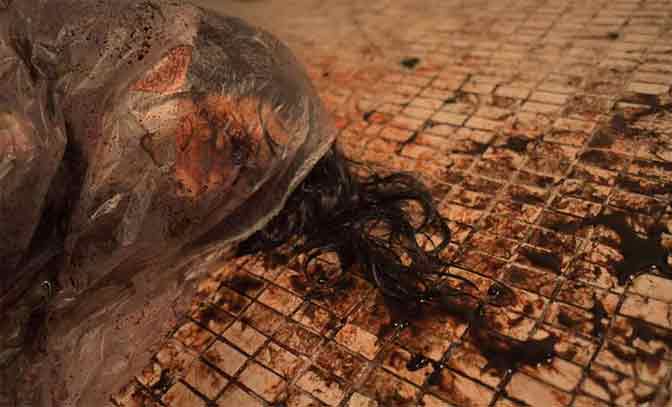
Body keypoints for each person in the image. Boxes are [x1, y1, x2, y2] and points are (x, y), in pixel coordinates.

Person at [0, 0, 450, 405]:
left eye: (241, 181)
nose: (207, 183)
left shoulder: (104, 189)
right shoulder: (89, 72)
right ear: (179, 70)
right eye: (231, 141)